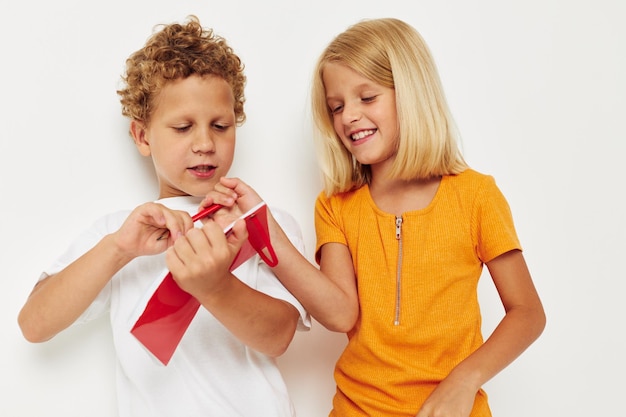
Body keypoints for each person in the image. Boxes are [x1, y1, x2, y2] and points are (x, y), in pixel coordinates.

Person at [204, 17, 546, 417]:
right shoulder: (336, 205)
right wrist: (265, 227)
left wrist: (464, 380)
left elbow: (528, 313)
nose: (349, 116)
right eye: (337, 106)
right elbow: (339, 313)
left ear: (412, 94)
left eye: (367, 98)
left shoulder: (475, 195)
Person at [17, 16, 310, 417]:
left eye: (220, 126)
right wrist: (118, 250)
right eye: (183, 127)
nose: (205, 143)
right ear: (142, 136)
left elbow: (279, 337)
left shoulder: (260, 221)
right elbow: (34, 325)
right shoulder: (117, 233)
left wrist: (215, 287)